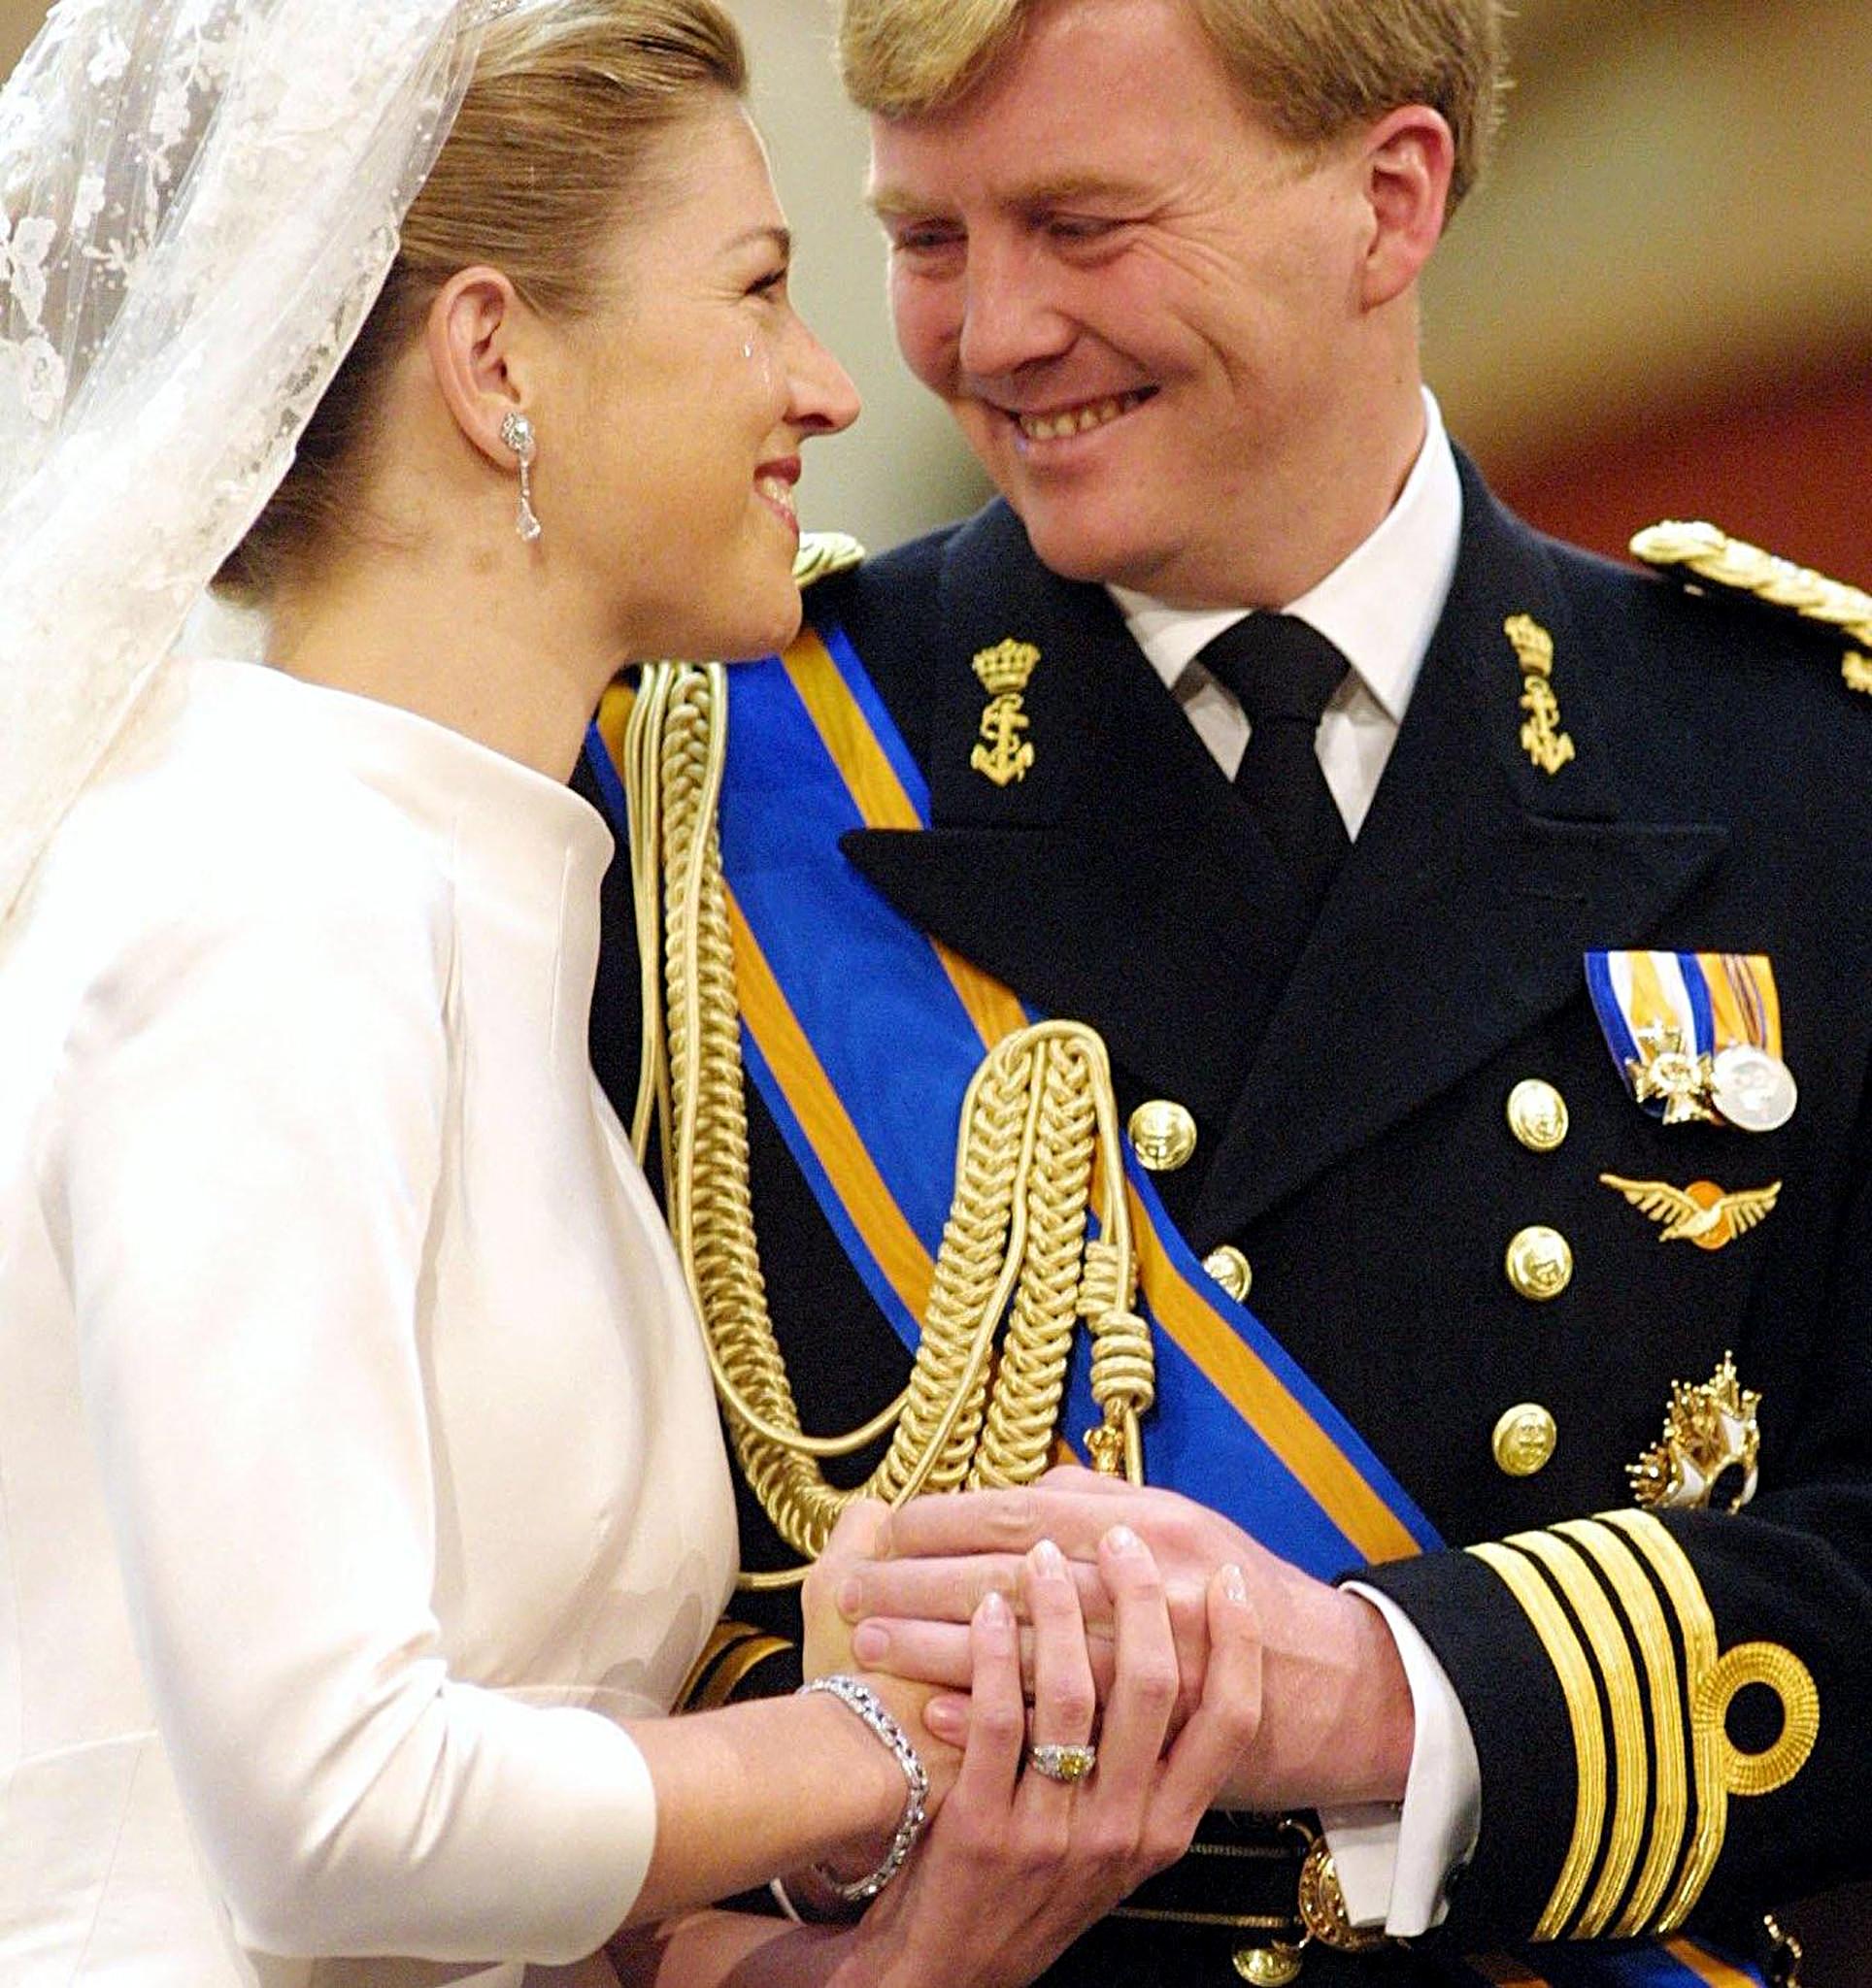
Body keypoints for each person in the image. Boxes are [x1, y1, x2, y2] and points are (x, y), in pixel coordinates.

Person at [583, 0, 1872, 1982]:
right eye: (927, 240)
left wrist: (1375, 1690)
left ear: (1388, 200)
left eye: (1082, 228)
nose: (989, 335)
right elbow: (544, 1638)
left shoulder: (1796, 765)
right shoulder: (700, 788)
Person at [0, 2, 1261, 1983]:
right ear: (496, 362)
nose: (829, 382)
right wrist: (867, 1747)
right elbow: (333, 1815)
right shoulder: (260, 894)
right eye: (760, 291)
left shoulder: (465, 892)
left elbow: (507, 1859)